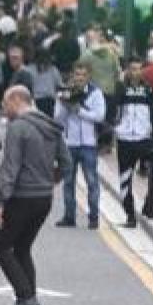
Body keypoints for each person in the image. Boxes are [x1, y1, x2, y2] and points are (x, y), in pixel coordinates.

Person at [0, 85, 69, 305]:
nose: (4, 109)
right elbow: (67, 162)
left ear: (16, 99)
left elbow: (11, 167)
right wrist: (51, 180)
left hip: (21, 197)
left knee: (1, 247)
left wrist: (1, 202)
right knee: (22, 247)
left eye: (5, 103)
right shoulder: (51, 126)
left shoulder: (19, 127)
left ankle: (26, 298)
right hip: (43, 198)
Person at [54, 61, 106, 229]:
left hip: (89, 144)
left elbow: (99, 116)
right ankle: (69, 216)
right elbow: (57, 119)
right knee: (68, 181)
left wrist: (79, 110)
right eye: (77, 74)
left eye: (83, 75)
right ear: (72, 75)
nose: (80, 78)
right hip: (70, 143)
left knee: (92, 181)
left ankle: (94, 217)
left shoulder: (95, 93)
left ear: (88, 76)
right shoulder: (65, 93)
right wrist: (64, 105)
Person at [113, 58, 153, 229]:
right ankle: (130, 216)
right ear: (127, 70)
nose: (136, 72)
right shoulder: (121, 89)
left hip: (144, 139)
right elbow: (113, 110)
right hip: (125, 140)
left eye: (139, 69)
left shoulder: (149, 90)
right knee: (125, 181)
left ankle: (151, 204)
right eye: (133, 69)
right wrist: (115, 128)